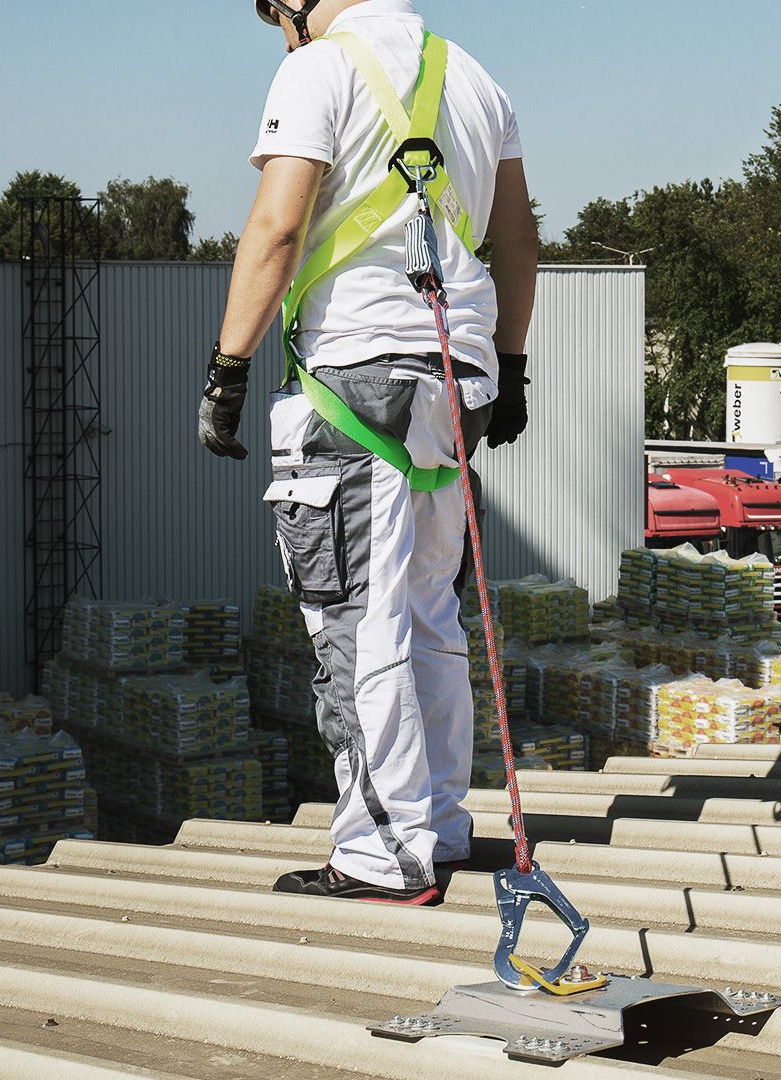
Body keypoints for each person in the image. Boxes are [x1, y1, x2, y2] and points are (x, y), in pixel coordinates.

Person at [199, 0, 537, 905]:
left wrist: (228, 368)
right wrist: (511, 366)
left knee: (354, 614)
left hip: (354, 374)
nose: (277, 29)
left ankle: (381, 853)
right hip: (453, 375)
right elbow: (517, 240)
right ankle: (441, 824)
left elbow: (275, 229)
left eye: (274, 11)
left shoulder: (318, 67)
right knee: (427, 608)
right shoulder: (474, 78)